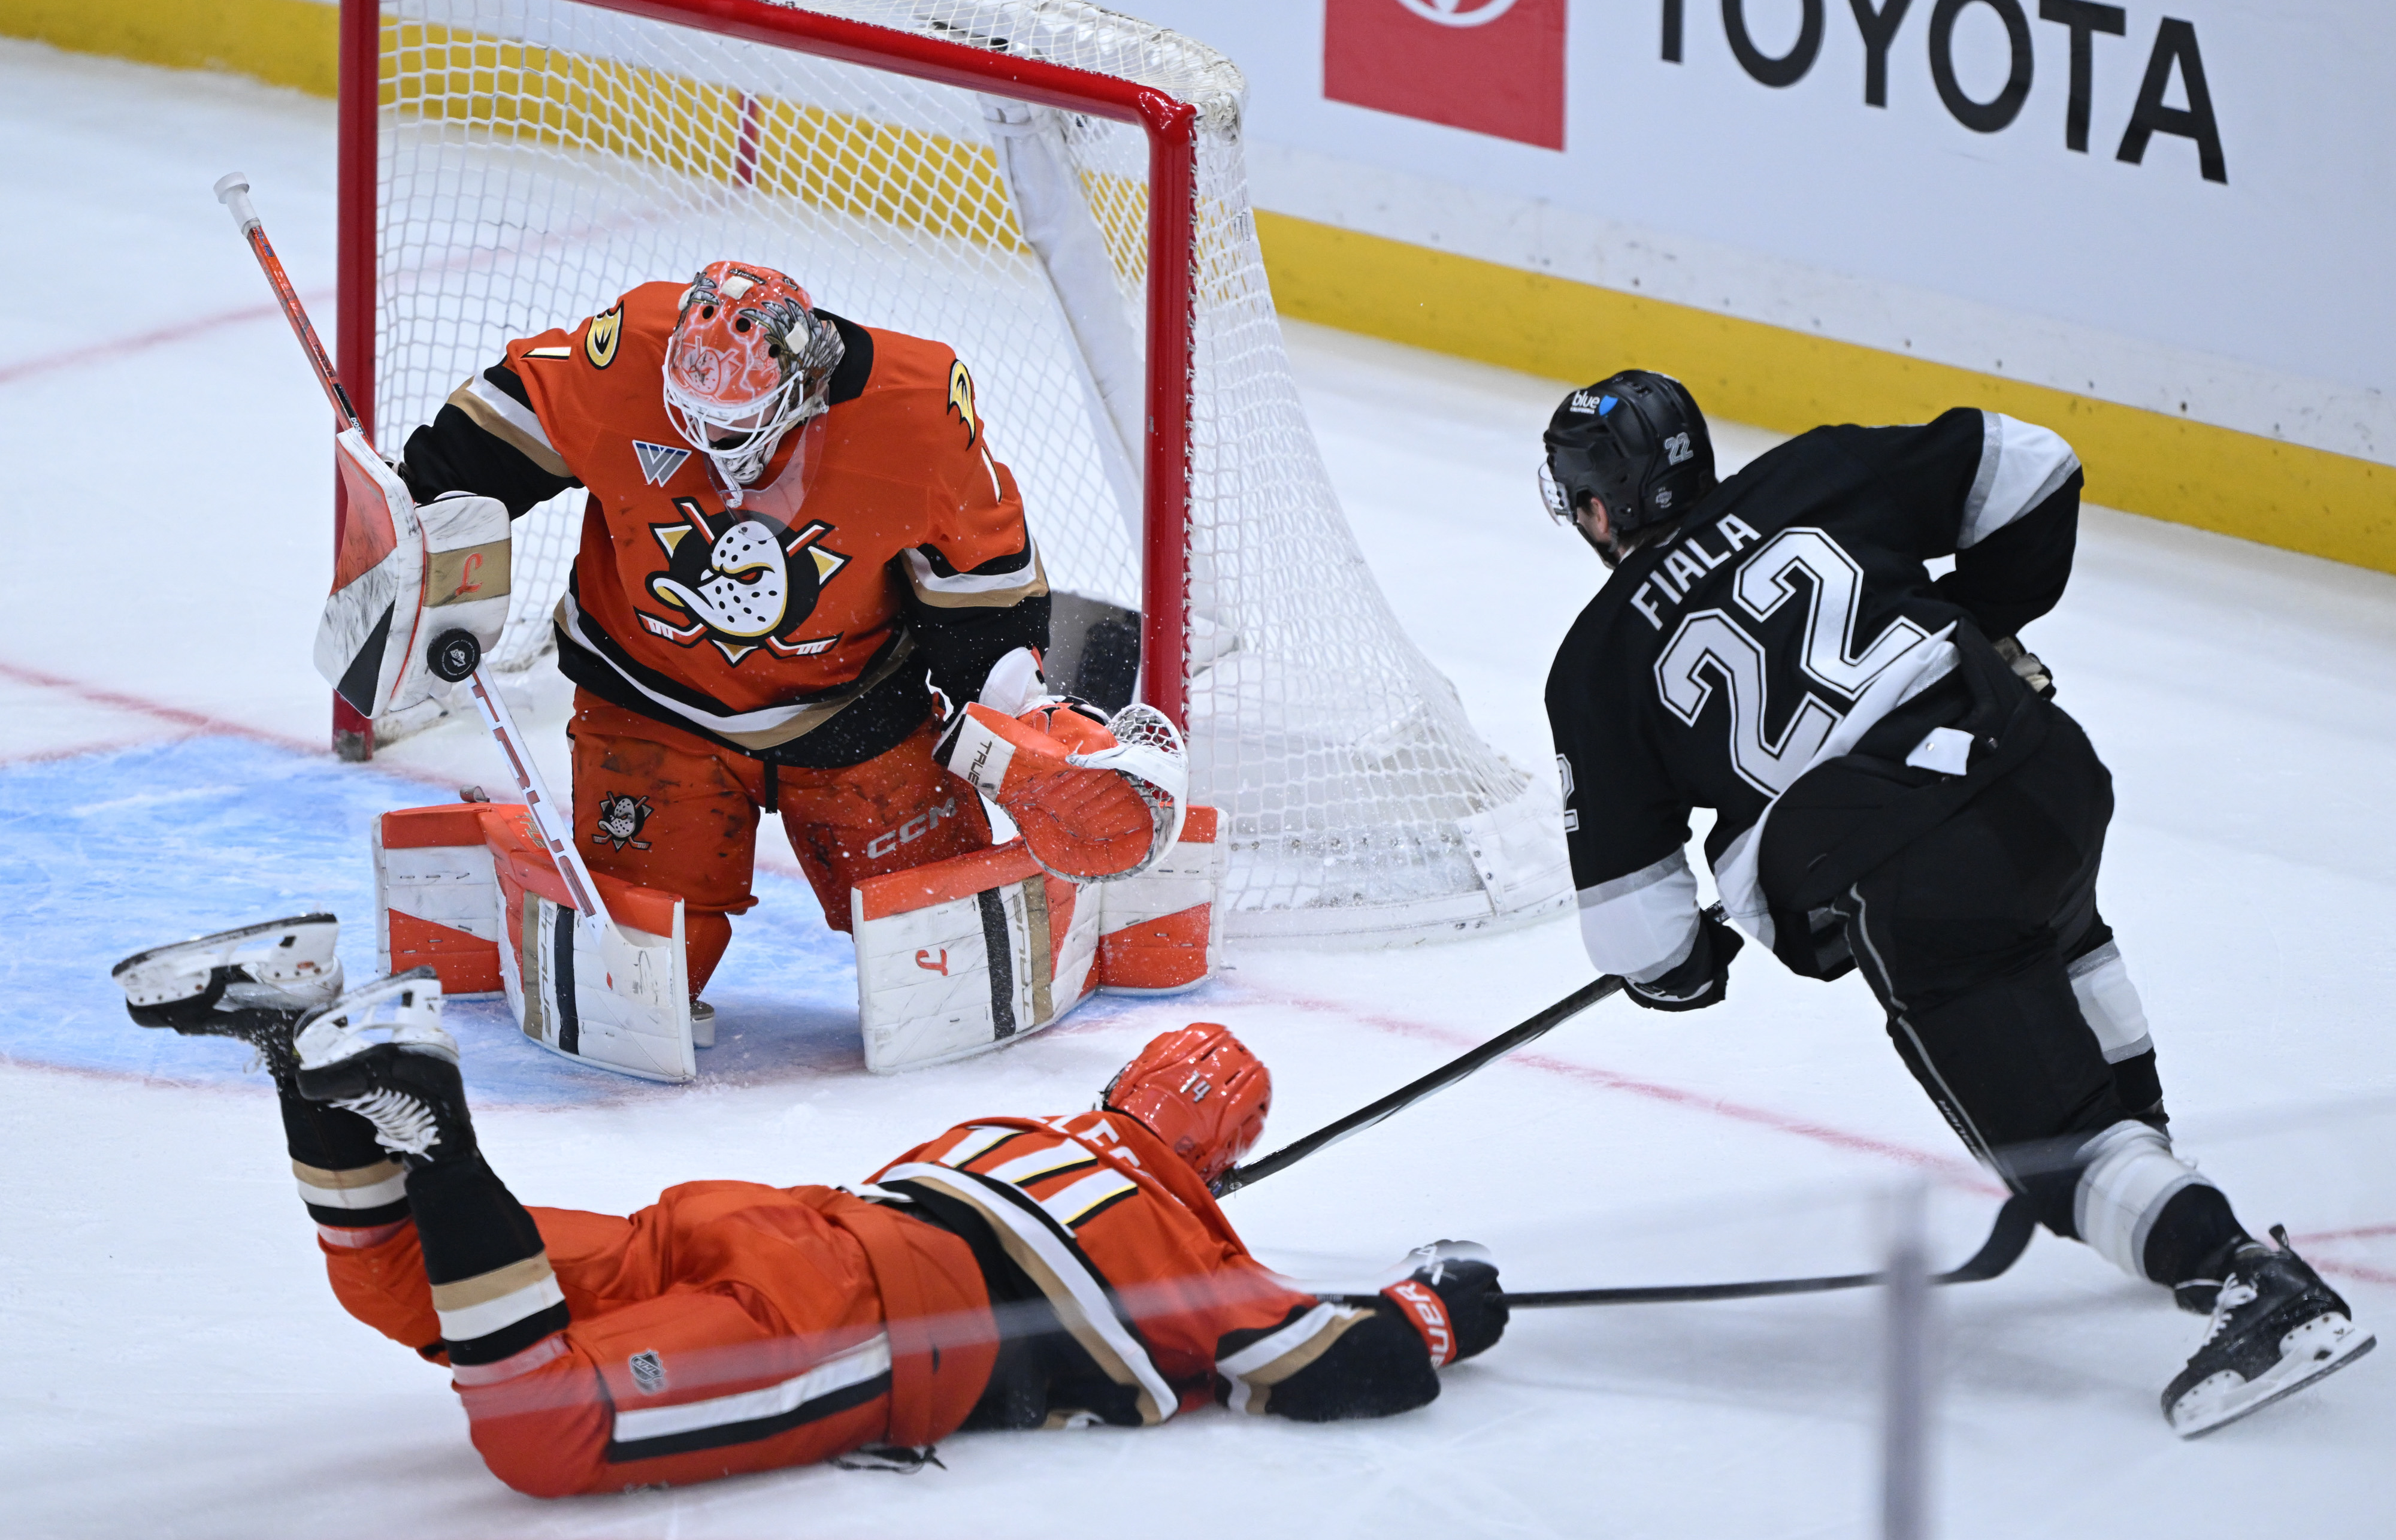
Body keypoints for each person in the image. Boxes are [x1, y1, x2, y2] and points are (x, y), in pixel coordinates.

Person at [1535, 370, 2373, 1438]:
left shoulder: (1596, 662)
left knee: (2051, 1145)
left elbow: (1639, 936)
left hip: (1916, 875)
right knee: (2058, 929)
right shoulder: (1814, 468)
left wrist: (1689, 963)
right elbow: (2034, 465)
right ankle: (2159, 1162)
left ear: (1600, 506)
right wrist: (1967, 626)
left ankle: (2240, 1274)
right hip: (2041, 768)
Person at [113, 916, 1506, 1496]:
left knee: (400, 1281)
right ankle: (422, 1105)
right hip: (841, 1320)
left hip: (760, 1221)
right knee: (541, 1423)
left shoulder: (1014, 1128)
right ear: (1215, 1166)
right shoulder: (1189, 1247)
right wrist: (1438, 1298)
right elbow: (1338, 1366)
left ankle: (301, 1044)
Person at [394, 261, 1170, 1003]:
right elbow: (501, 428)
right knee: (642, 963)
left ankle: (1081, 900)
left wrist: (1021, 706)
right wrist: (418, 504)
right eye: (684, 415)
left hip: (852, 715)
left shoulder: (914, 408)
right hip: (652, 700)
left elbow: (978, 585)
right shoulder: (627, 350)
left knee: (947, 949)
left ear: (801, 391)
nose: (700, 438)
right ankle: (505, 857)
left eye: (726, 428)